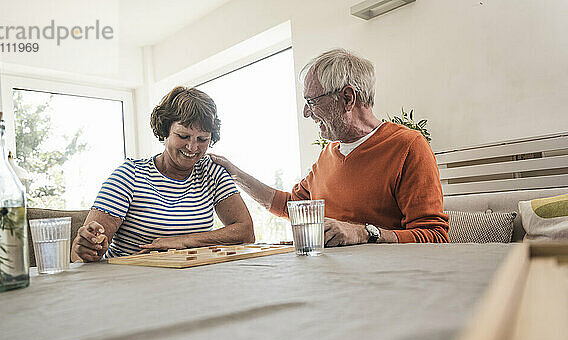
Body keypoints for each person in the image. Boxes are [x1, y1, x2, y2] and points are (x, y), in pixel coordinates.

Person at [210, 48, 448, 246]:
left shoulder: (408, 146)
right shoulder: (328, 153)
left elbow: (435, 237)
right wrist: (236, 174)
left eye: (311, 102)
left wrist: (365, 233)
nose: (306, 112)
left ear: (347, 98)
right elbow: (289, 205)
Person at [71, 86, 255, 262]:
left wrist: (183, 242)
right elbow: (83, 251)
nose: (192, 147)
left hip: (191, 279)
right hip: (132, 281)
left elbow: (245, 232)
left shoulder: (211, 172)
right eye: (183, 136)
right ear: (165, 130)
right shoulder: (129, 175)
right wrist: (90, 247)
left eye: (202, 139)